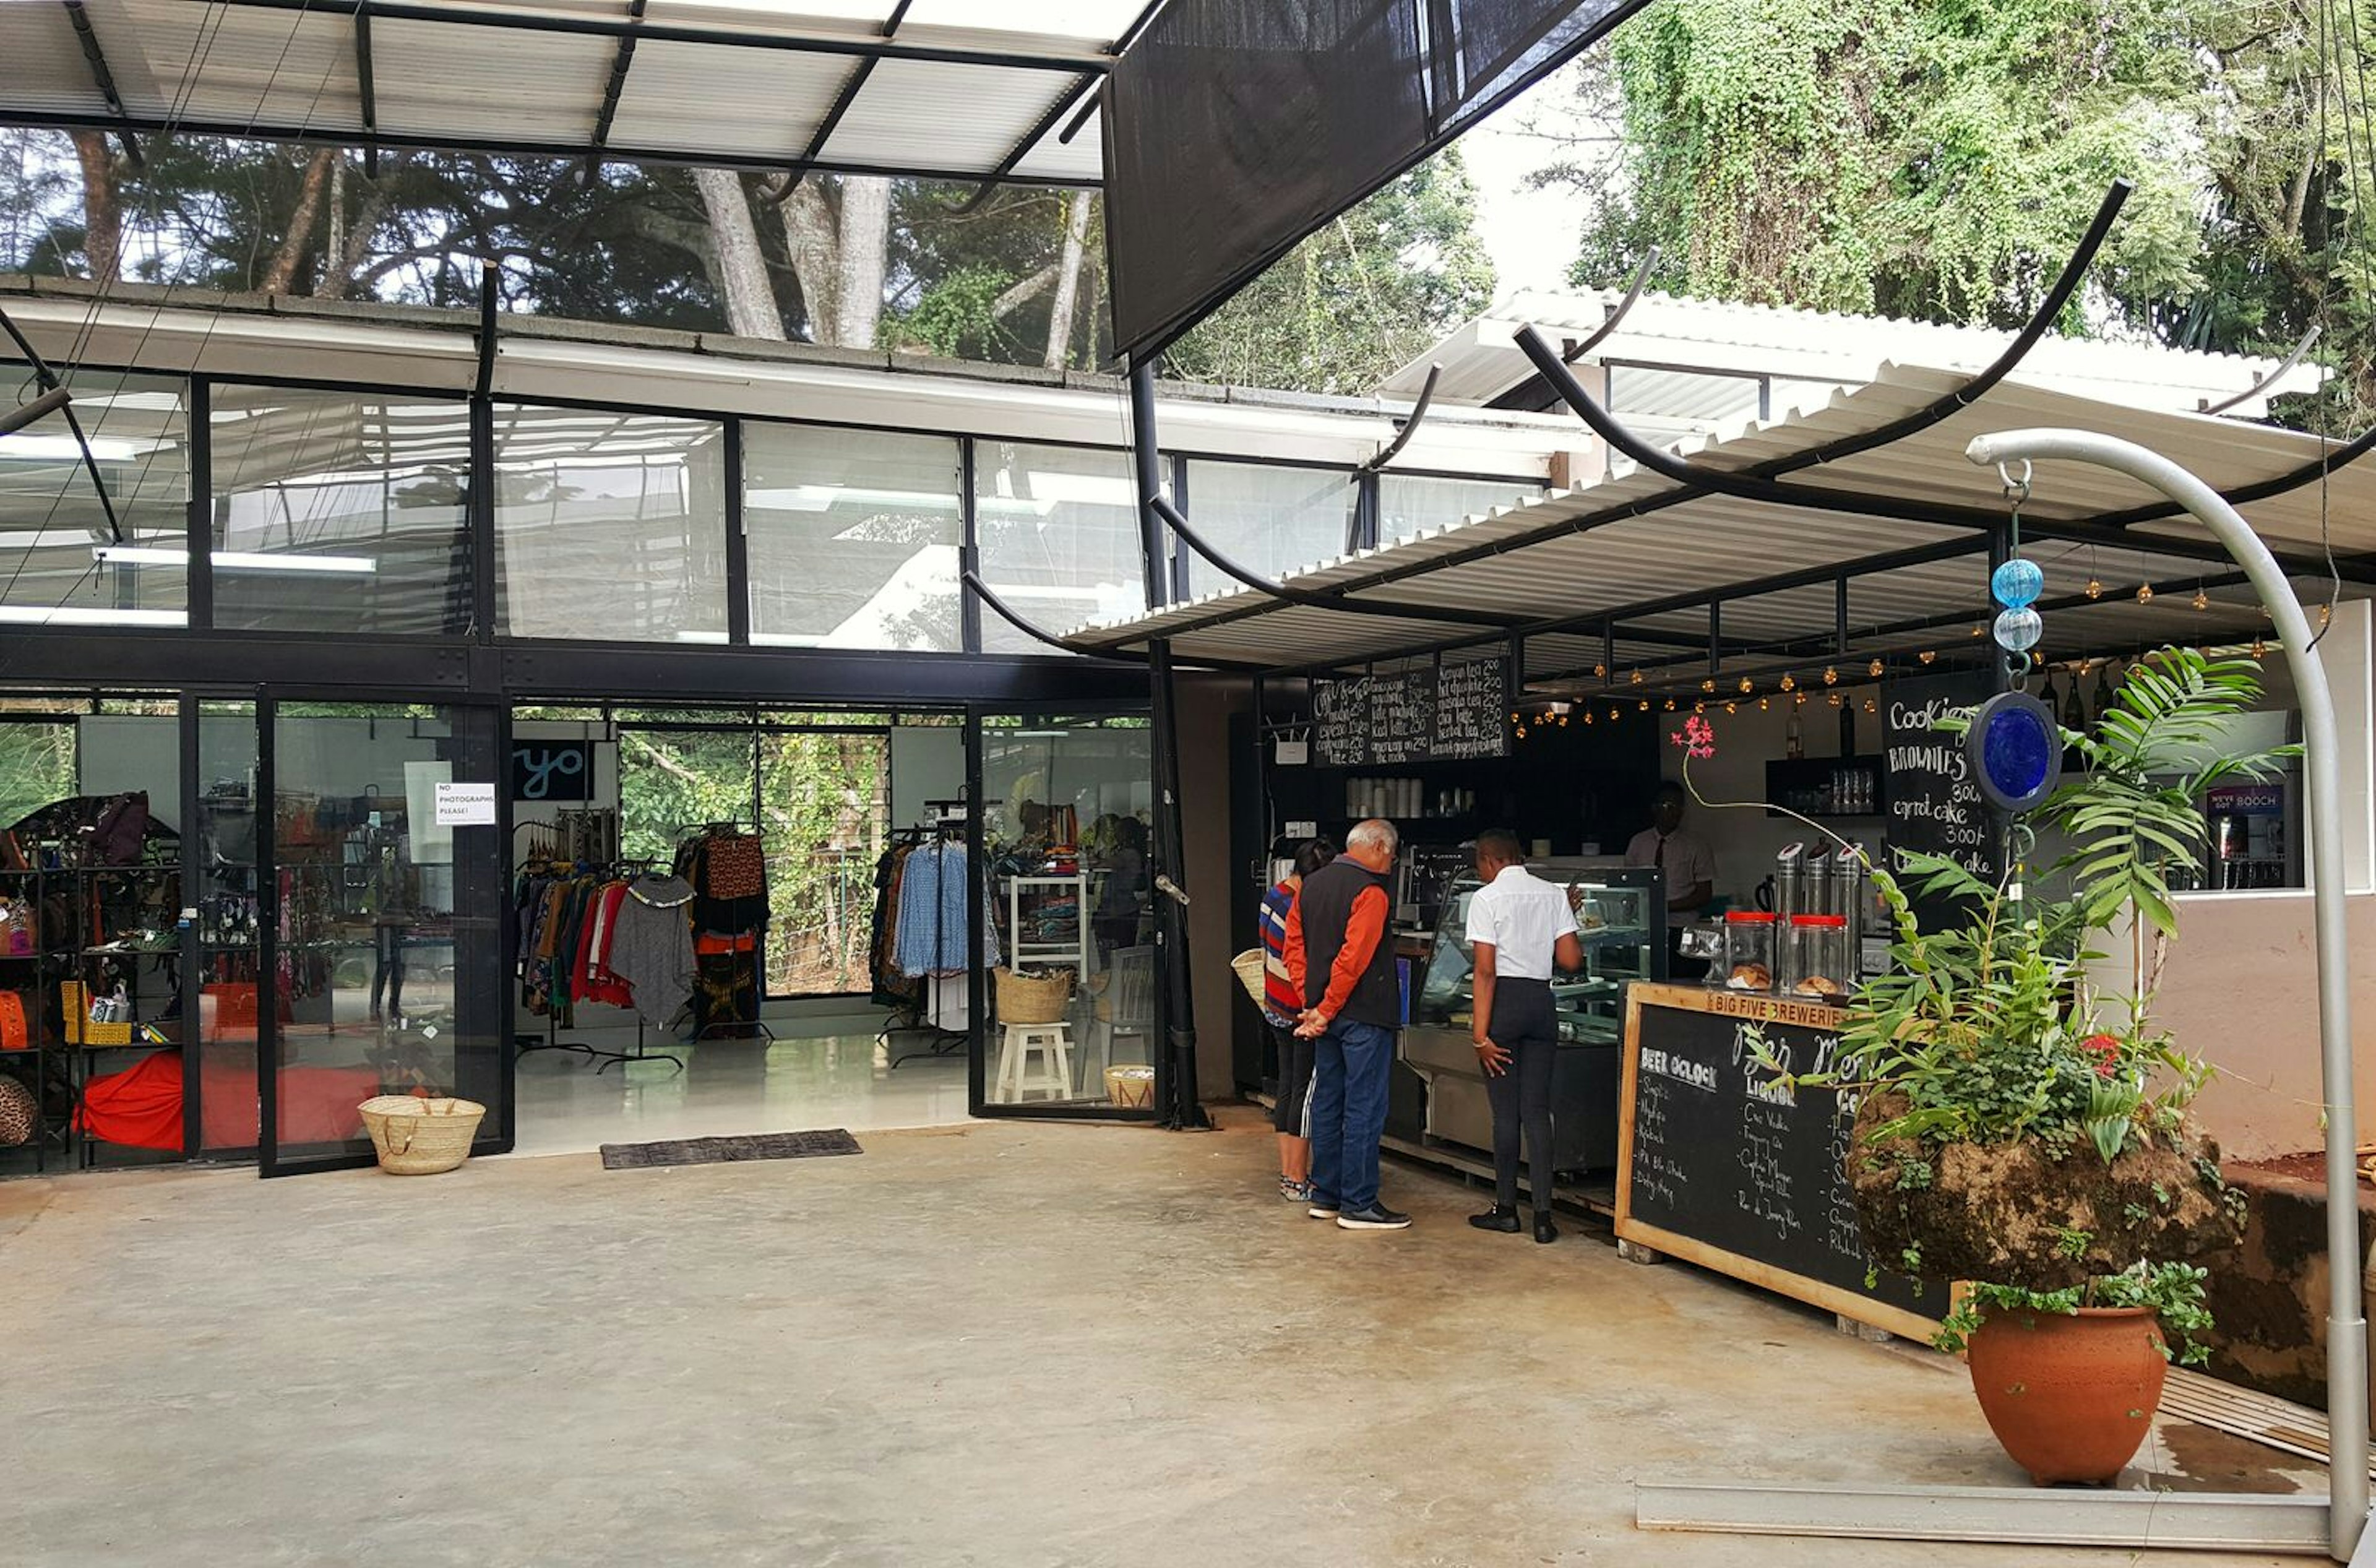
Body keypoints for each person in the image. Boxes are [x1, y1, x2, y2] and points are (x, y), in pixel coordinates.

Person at [1286, 818, 1410, 1231]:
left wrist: (1314, 1004)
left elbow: (1294, 949)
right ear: (1376, 847)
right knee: (1364, 1107)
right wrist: (1325, 1007)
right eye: (1391, 854)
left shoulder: (1310, 886)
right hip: (1363, 1016)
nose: (1391, 863)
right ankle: (1359, 1203)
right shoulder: (1371, 893)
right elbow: (1354, 958)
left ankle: (1325, 1195)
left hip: (1327, 1016)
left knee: (1327, 1102)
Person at [1464, 830, 1586, 1244]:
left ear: (1488, 861)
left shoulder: (1486, 899)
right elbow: (1571, 961)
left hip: (1504, 1005)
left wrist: (1480, 1034)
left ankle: (1506, 1210)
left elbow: (1485, 971)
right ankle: (1544, 1219)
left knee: (1505, 1113)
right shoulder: (1552, 894)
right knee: (1537, 1111)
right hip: (1540, 1004)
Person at [1259, 837, 1336, 1204]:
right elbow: (1303, 960)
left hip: (1274, 1003)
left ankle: (1289, 1174)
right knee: (1303, 1092)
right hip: (1299, 1008)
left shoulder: (1275, 895)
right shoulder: (1299, 905)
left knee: (1288, 1086)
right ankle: (1296, 1177)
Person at [1625, 782, 1716, 977]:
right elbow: (1628, 887)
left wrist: (1664, 907)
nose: (1674, 813)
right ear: (1655, 808)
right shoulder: (1638, 843)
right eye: (1668, 806)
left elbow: (1704, 894)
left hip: (1682, 929)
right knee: (1647, 980)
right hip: (1645, 928)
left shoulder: (1696, 845)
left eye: (1679, 807)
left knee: (1684, 981)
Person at [1094, 817, 1147, 956]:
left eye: (1119, 831)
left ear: (1127, 833)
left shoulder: (1129, 854)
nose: (1116, 835)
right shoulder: (1124, 852)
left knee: (1116, 953)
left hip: (1121, 911)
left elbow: (1103, 866)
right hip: (1118, 909)